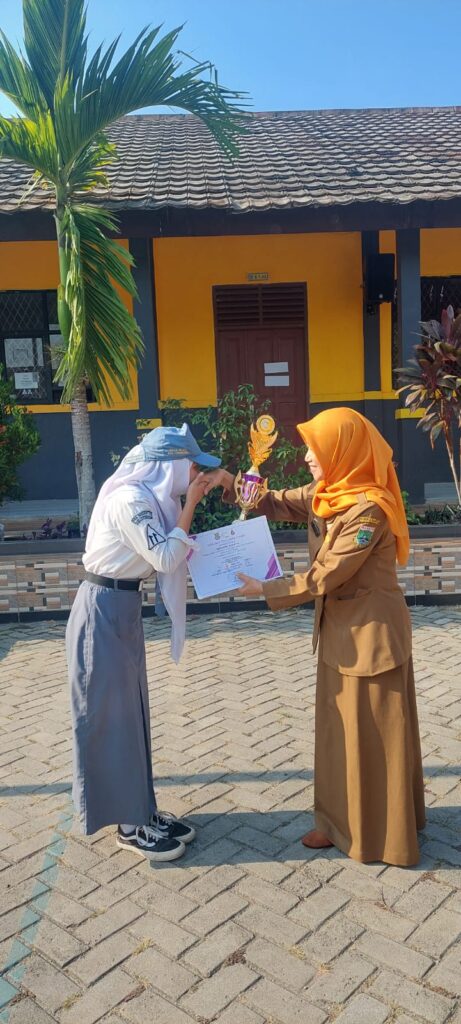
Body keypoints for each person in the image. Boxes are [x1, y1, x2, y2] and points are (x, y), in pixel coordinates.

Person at [209, 408, 425, 866]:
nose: (307, 457)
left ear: (344, 452)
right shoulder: (327, 492)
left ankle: (382, 835)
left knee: (374, 738)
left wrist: (265, 589)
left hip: (371, 640)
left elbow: (326, 575)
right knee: (336, 735)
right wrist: (231, 483)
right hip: (338, 635)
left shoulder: (369, 508)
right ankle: (336, 823)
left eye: (316, 449)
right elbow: (276, 501)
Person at [66, 423, 221, 862]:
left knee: (131, 717)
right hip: (103, 610)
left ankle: (141, 810)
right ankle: (129, 827)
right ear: (169, 467)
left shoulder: (149, 498)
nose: (196, 475)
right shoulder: (130, 501)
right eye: (192, 467)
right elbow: (167, 556)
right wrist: (192, 503)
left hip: (121, 607)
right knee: (110, 720)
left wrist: (214, 486)